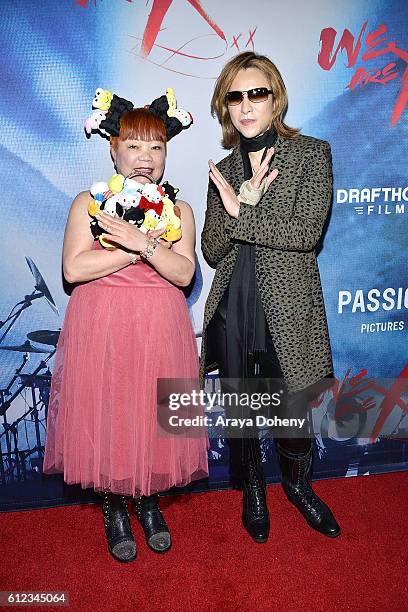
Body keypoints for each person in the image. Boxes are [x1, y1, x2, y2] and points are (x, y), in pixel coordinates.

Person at [44, 91, 208, 563]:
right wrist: (137, 247)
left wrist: (140, 241)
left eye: (155, 147)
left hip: (159, 328)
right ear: (113, 150)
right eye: (133, 146)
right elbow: (74, 269)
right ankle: (114, 505)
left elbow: (183, 274)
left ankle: (148, 500)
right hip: (103, 326)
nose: (144, 158)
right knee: (111, 411)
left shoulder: (181, 210)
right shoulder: (88, 203)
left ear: (165, 155)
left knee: (152, 416)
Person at [201, 51, 340, 543]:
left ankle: (299, 489)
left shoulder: (310, 154)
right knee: (241, 406)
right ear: (226, 107)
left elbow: (306, 232)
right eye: (234, 97)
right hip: (235, 301)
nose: (246, 105)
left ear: (275, 97)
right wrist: (233, 201)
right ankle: (253, 489)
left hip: (287, 305)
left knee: (291, 410)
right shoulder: (223, 167)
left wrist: (245, 210)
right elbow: (214, 249)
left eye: (256, 93)